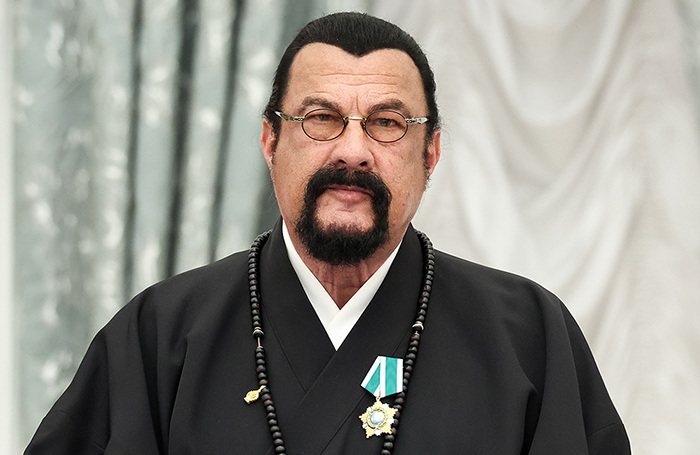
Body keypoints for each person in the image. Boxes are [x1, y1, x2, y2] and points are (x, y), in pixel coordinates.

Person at [25, 12, 630, 455]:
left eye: (388, 122)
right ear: (270, 141)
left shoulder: (527, 338)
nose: (353, 150)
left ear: (431, 153)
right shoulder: (159, 337)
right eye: (321, 118)